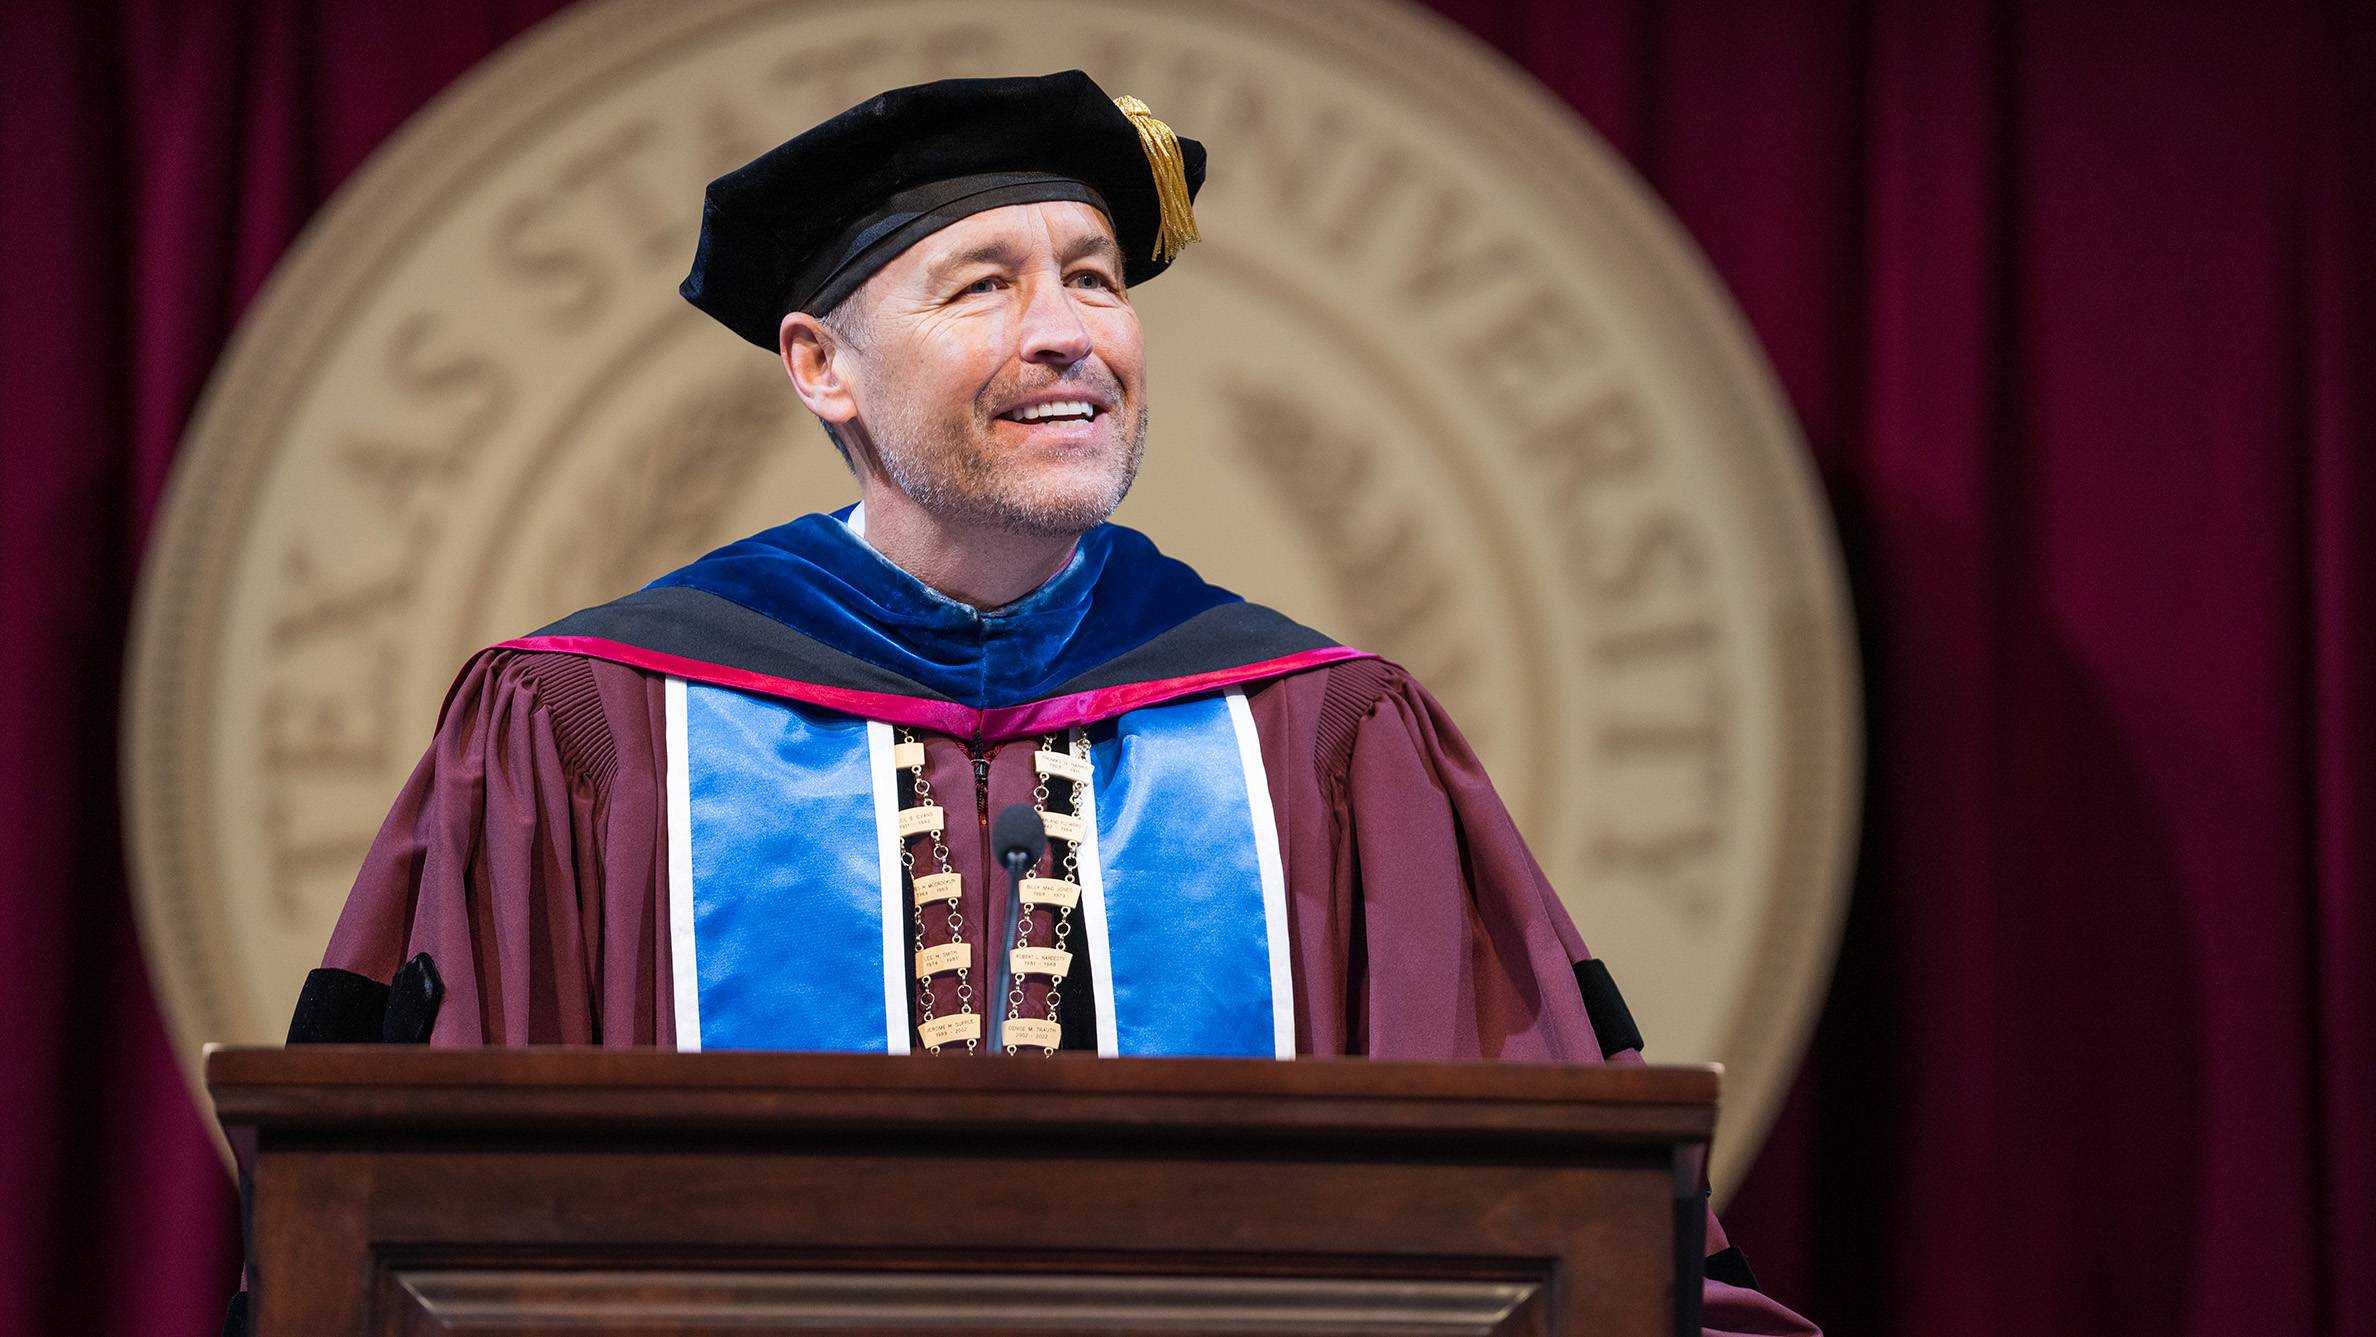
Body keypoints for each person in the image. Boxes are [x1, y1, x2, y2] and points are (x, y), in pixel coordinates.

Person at [288, 71, 1815, 1335]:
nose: (1071, 329)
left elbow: (1565, 1222)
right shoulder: (586, 733)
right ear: (821, 365)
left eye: (1094, 276)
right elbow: (394, 1226)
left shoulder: (1329, 739)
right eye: (985, 285)